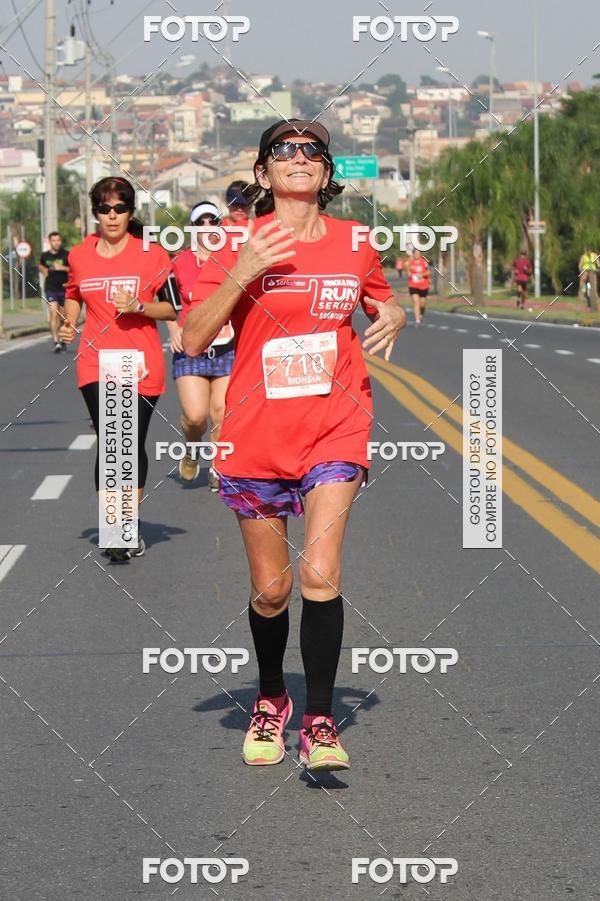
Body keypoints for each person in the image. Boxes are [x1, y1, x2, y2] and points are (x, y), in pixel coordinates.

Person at [183, 119, 406, 771]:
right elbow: (192, 338)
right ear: (264, 172)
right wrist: (243, 270)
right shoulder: (235, 243)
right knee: (272, 590)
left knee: (319, 573)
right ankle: (273, 696)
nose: (300, 158)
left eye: (313, 151)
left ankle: (320, 720)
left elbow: (382, 300)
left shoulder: (355, 241)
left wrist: (392, 312)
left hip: (337, 424)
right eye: (285, 150)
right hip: (255, 433)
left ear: (327, 170)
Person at [58, 176, 176, 560]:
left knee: (130, 441)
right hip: (96, 361)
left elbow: (172, 308)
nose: (112, 215)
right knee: (113, 440)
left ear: (130, 212)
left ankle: (127, 522)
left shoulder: (152, 254)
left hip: (141, 363)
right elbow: (74, 294)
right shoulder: (80, 255)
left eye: (120, 208)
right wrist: (69, 320)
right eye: (104, 208)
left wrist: (140, 306)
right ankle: (116, 530)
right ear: (95, 212)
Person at [167, 201, 235, 490]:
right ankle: (192, 448)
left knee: (221, 411)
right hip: (190, 348)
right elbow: (165, 300)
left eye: (213, 221)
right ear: (192, 228)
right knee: (195, 417)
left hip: (226, 345)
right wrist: (173, 329)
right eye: (200, 222)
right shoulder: (179, 262)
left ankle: (218, 468)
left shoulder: (233, 259)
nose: (207, 227)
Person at [39, 231, 70, 352]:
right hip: (51, 288)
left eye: (58, 240)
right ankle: (56, 342)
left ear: (60, 241)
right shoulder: (44, 255)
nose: (56, 243)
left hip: (64, 288)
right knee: (53, 314)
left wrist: (62, 268)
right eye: (54, 240)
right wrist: (43, 270)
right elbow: (41, 265)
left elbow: (73, 269)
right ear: (50, 242)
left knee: (63, 317)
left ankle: (62, 339)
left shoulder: (66, 254)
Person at [407, 248, 430, 325]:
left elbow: (428, 272)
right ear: (413, 254)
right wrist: (409, 273)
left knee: (422, 303)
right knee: (416, 302)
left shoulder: (424, 262)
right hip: (413, 285)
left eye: (419, 253)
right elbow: (408, 271)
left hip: (423, 285)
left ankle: (421, 314)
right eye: (416, 253)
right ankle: (417, 320)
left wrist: (421, 275)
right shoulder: (410, 262)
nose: (417, 254)